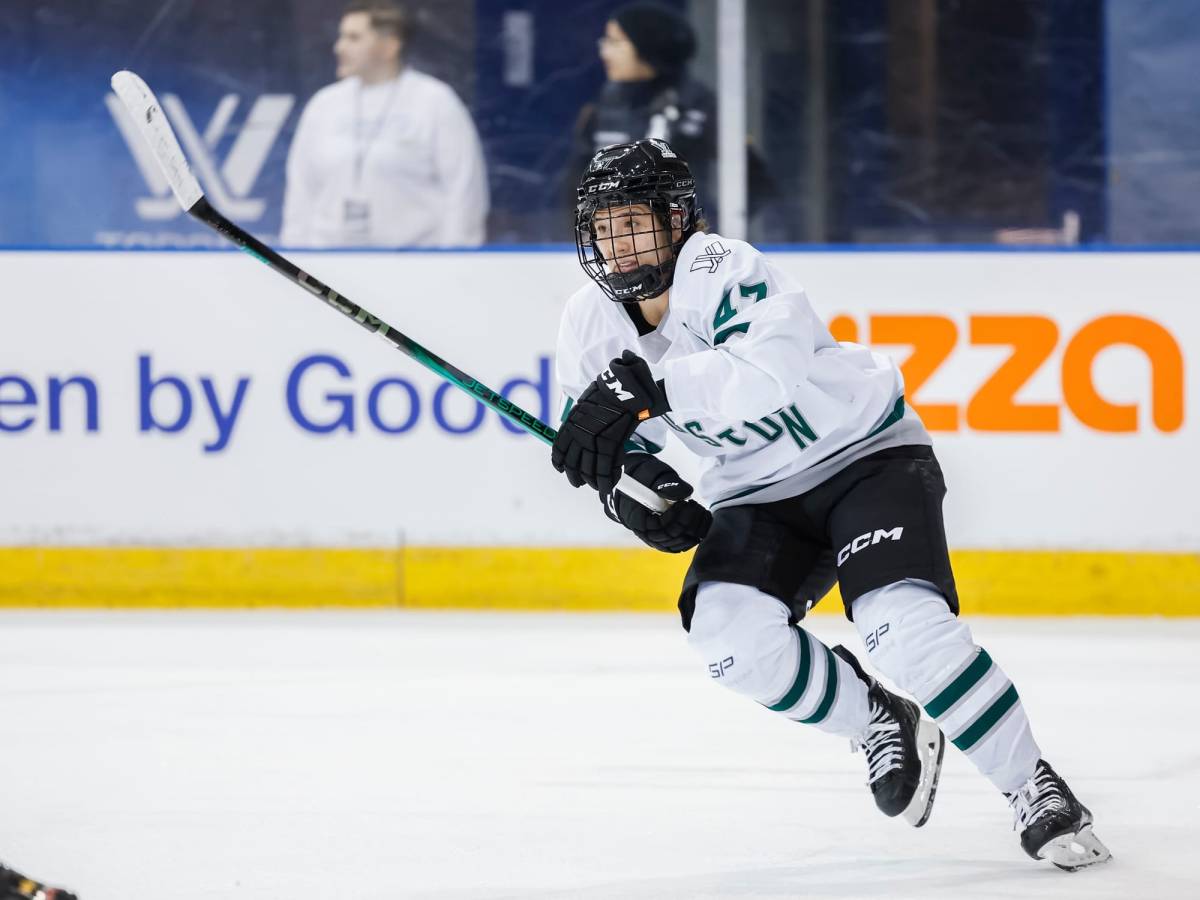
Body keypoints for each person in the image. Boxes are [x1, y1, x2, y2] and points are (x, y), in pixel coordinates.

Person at [549, 139, 1112, 870]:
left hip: (863, 456)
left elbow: (766, 376)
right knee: (728, 640)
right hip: (753, 491)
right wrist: (638, 498)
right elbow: (602, 444)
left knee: (903, 632)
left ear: (678, 219)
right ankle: (878, 718)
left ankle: (1034, 787)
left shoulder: (723, 267)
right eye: (603, 228)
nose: (618, 246)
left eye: (634, 223)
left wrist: (646, 392)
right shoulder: (586, 321)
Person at [281, 0, 488, 247]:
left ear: (389, 46)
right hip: (329, 264)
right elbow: (301, 192)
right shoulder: (323, 105)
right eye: (342, 37)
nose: (339, 47)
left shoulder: (435, 102)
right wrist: (295, 256)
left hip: (415, 266)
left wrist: (455, 264)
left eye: (353, 38)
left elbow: (464, 191)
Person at [565, 2, 771, 228]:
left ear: (647, 47)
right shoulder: (603, 107)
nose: (604, 51)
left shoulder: (697, 105)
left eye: (615, 42)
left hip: (681, 244)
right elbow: (574, 187)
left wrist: (708, 230)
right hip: (616, 245)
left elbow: (756, 181)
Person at [1, 861, 76, 899]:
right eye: (55, 890)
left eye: (53, 894)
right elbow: (15, 878)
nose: (50, 890)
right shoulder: (38, 890)